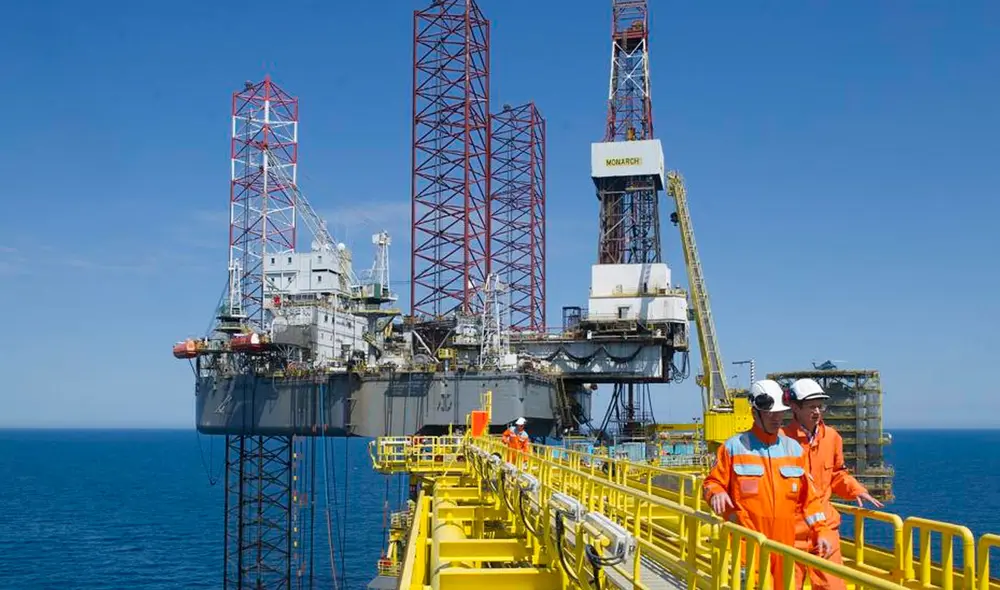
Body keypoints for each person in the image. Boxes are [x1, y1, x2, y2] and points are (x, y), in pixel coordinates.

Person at [703, 379, 834, 583]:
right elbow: (711, 483)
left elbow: (809, 500)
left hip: (785, 547)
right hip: (748, 546)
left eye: (780, 413)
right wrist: (716, 493)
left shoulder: (794, 450)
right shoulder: (733, 448)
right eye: (770, 414)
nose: (777, 418)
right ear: (755, 413)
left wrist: (821, 530)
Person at [783, 378, 884, 590]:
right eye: (811, 406)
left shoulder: (832, 438)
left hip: (825, 527)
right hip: (790, 531)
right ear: (795, 407)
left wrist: (856, 489)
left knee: (832, 585)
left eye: (820, 406)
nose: (817, 411)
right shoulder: (781, 441)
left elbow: (837, 474)